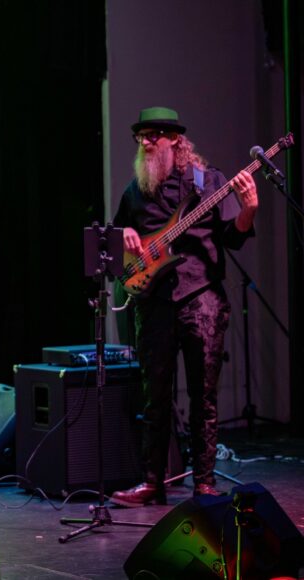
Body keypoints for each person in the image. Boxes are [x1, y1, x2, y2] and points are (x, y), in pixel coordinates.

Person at [110, 106, 258, 506]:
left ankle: (204, 483)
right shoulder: (136, 190)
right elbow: (114, 237)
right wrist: (123, 232)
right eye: (140, 137)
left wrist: (248, 211)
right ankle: (152, 482)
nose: (145, 142)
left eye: (153, 135)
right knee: (154, 397)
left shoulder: (209, 182)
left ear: (175, 139)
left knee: (202, 396)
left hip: (201, 297)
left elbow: (233, 237)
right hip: (154, 302)